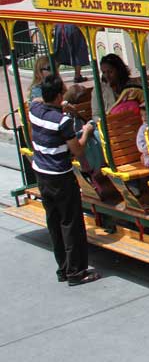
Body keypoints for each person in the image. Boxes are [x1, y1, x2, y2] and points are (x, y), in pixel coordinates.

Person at [31, 74, 99, 285]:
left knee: (54, 222)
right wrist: (87, 132)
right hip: (60, 176)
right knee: (71, 223)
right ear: (59, 95)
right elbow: (77, 150)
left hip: (41, 173)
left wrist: (61, 105)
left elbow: (36, 101)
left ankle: (63, 268)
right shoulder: (62, 121)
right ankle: (76, 272)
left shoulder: (35, 110)